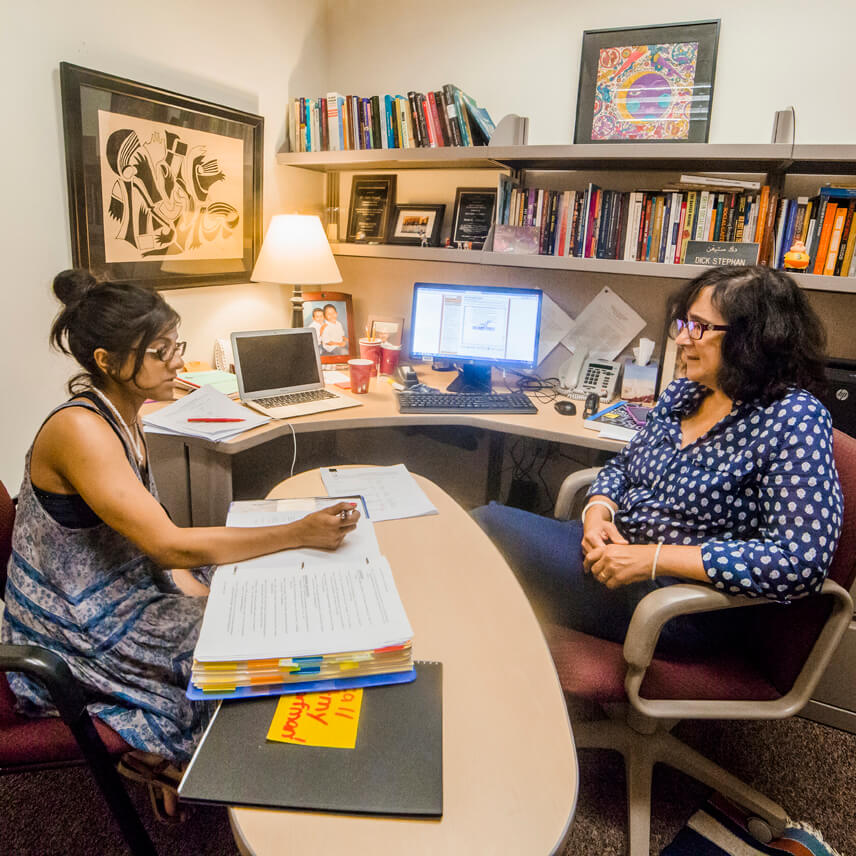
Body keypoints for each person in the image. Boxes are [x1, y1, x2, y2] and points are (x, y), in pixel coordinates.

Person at [1, 269, 360, 819]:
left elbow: (153, 538)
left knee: (248, 587)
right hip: (77, 621)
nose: (178, 362)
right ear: (108, 362)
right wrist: (296, 531)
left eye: (176, 345)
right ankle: (226, 773)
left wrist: (192, 584)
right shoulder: (79, 430)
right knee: (245, 636)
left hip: (126, 584)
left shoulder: (123, 412)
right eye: (161, 351)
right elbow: (167, 544)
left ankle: (178, 756)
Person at [473, 265, 843, 653]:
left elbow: (800, 562)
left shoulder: (794, 418)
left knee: (486, 532)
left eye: (699, 327)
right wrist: (598, 513)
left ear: (754, 340)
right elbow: (622, 467)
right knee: (485, 531)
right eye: (685, 323)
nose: (682, 338)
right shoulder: (686, 393)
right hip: (619, 555)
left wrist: (653, 560)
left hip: (678, 602)